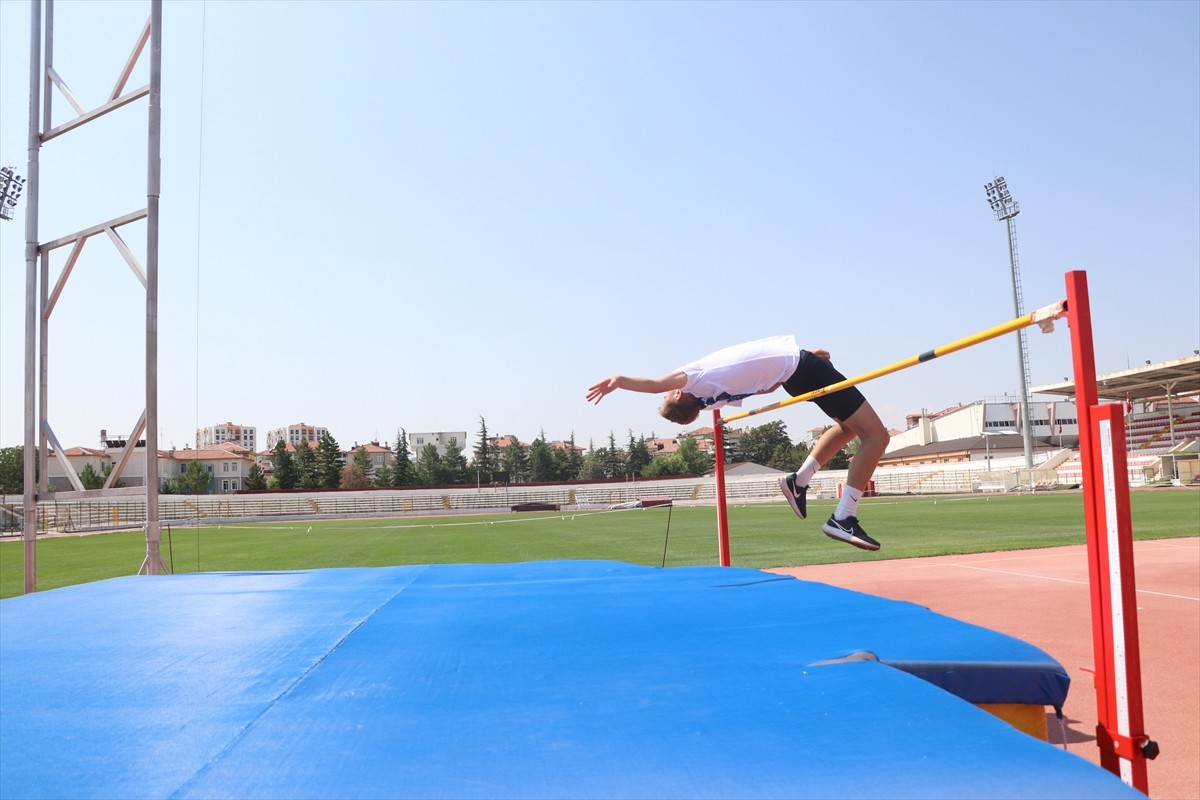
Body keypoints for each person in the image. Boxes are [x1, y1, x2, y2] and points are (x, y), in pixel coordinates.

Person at [586, 335, 889, 551]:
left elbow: (765, 385)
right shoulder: (692, 379)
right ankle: (843, 517)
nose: (671, 388)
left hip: (794, 372)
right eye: (671, 392)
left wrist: (803, 359)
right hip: (797, 367)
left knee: (849, 428)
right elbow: (654, 386)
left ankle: (799, 481)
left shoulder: (713, 398)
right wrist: (619, 380)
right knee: (877, 436)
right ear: (678, 394)